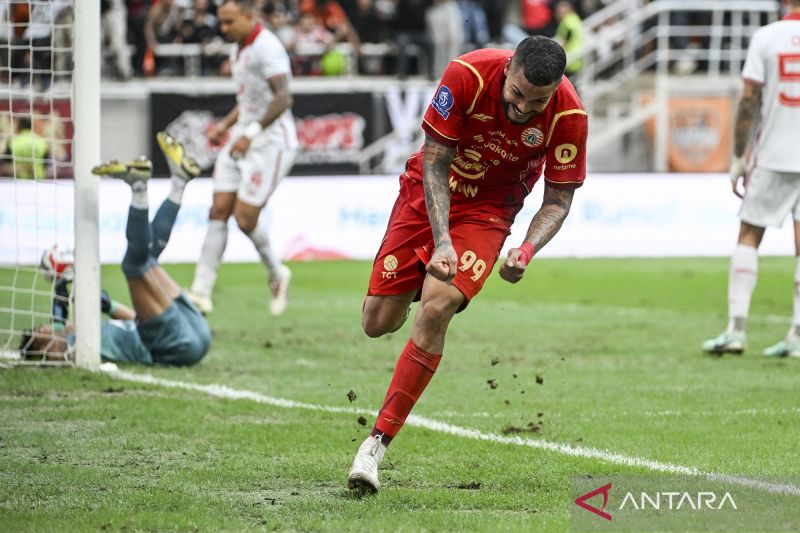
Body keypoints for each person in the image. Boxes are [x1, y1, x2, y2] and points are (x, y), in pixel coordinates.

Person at [347, 36, 587, 492]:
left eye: (537, 102)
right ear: (508, 69)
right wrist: (442, 242)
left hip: (488, 211)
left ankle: (375, 445)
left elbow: (558, 200)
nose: (523, 108)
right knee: (377, 323)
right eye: (517, 94)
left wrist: (527, 249)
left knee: (437, 308)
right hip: (429, 191)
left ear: (555, 89)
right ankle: (418, 280)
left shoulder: (570, 116)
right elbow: (436, 161)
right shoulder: (466, 74)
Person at [20, 133, 211, 366]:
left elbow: (136, 320)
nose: (48, 326)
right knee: (133, 265)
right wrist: (60, 298)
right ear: (42, 346)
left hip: (192, 333)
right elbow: (57, 351)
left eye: (45, 326)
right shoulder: (71, 348)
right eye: (43, 330)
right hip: (174, 344)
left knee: (147, 258)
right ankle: (139, 187)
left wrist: (107, 305)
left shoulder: (92, 332)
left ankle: (179, 183)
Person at [702, 0, 800, 358]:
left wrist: (739, 157)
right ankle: (797, 335)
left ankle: (736, 330)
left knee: (749, 235)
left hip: (773, 153)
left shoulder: (768, 37)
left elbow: (748, 101)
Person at [188, 0, 298, 316]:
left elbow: (283, 98)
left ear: (249, 16)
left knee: (245, 218)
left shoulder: (267, 48)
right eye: (221, 22)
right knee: (218, 209)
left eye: (230, 22)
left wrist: (250, 133)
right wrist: (225, 125)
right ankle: (200, 292)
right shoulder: (238, 47)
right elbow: (249, 100)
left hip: (271, 143)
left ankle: (277, 273)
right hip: (242, 136)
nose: (224, 29)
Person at [9, 116, 49, 180]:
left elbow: (7, 162)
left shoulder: (13, 142)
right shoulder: (41, 142)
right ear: (32, 126)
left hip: (19, 180)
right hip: (38, 180)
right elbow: (47, 162)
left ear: (19, 126)